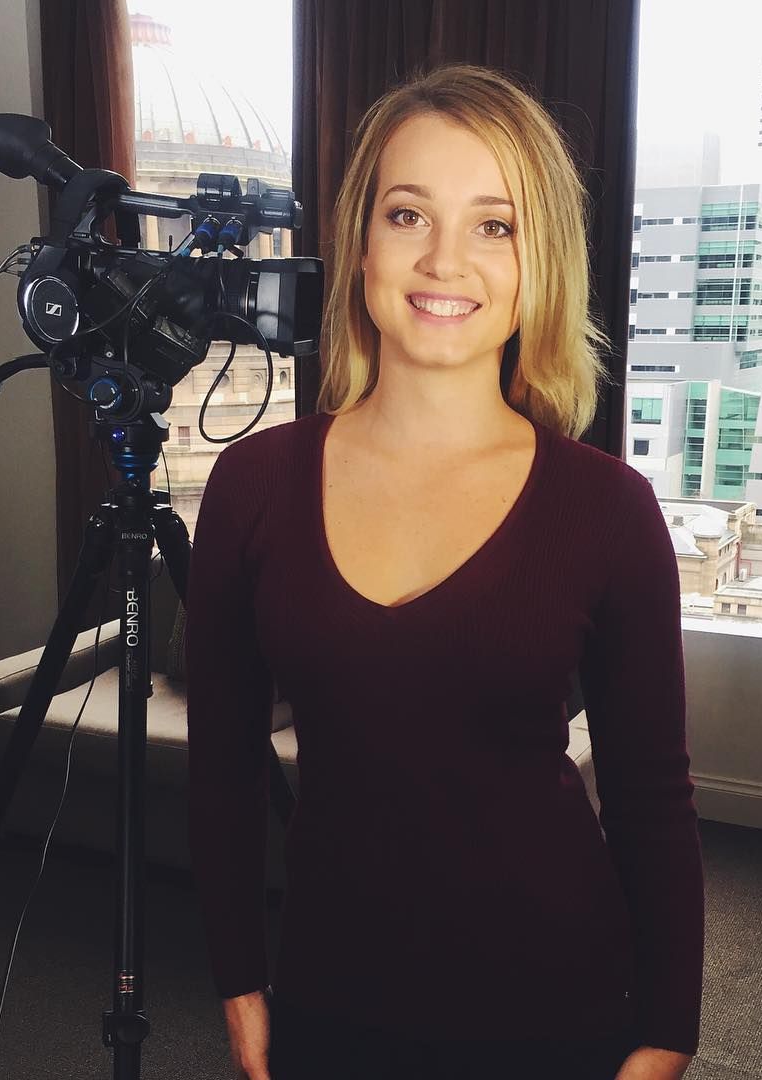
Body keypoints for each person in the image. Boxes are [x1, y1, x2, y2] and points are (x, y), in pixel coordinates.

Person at [184, 63, 704, 1080]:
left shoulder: (609, 509)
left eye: (493, 225)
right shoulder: (254, 485)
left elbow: (652, 796)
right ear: (362, 244)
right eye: (408, 214)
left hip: (558, 1007)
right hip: (331, 999)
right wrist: (237, 979)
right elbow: (223, 769)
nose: (444, 260)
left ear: (538, 260)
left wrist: (667, 1035)